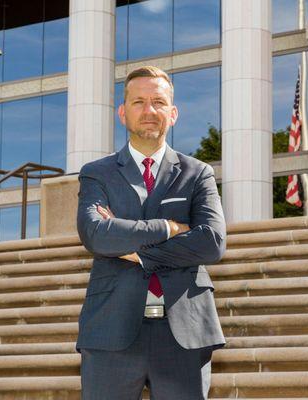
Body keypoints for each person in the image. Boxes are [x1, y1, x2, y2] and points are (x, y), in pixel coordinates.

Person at [76, 65, 226, 399]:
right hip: (109, 329)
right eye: (139, 102)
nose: (149, 110)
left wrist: (137, 253)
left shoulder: (197, 173)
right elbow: (95, 235)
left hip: (184, 332)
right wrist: (169, 228)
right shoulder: (96, 174)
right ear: (122, 112)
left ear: (173, 113)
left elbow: (212, 242)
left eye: (158, 102)